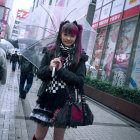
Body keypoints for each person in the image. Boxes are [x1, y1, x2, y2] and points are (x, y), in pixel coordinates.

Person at [30, 21, 88, 140]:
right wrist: (49, 68)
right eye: (65, 34)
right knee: (39, 136)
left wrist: (61, 70)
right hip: (47, 98)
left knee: (58, 137)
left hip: (65, 101)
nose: (68, 38)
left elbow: (80, 81)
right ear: (60, 34)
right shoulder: (50, 51)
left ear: (76, 37)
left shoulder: (79, 57)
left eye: (72, 36)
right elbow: (40, 73)